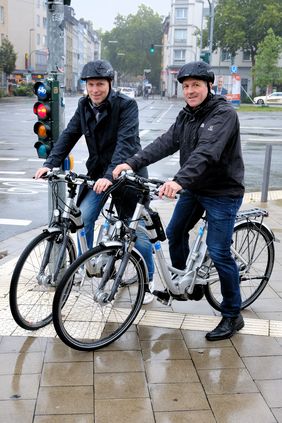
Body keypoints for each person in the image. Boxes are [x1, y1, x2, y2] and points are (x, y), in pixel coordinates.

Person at [113, 61, 245, 341]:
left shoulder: (223, 115)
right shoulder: (187, 115)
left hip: (223, 192)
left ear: (209, 86)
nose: (190, 90)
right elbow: (165, 142)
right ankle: (188, 283)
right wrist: (132, 163)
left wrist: (179, 180)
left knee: (219, 251)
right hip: (196, 188)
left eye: (196, 85)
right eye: (185, 86)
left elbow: (206, 153)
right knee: (174, 232)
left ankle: (233, 314)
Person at [34, 59, 155, 304]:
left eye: (100, 84)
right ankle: (86, 265)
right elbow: (69, 135)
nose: (95, 89)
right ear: (86, 86)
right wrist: (50, 164)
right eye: (91, 84)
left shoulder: (127, 106)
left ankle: (148, 282)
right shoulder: (84, 105)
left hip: (128, 175)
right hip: (98, 174)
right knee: (83, 218)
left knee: (137, 233)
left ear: (110, 84)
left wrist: (110, 176)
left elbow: (125, 145)